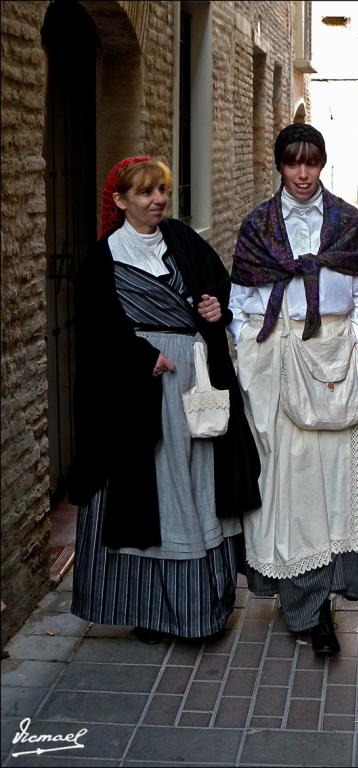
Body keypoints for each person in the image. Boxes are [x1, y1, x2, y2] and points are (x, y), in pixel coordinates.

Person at [70, 156, 261, 643]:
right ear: (120, 201)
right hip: (139, 396)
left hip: (195, 385)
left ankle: (201, 610)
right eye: (145, 193)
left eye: (161, 190)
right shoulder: (102, 260)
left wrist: (216, 307)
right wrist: (140, 357)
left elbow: (219, 289)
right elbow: (93, 334)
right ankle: (151, 612)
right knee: (153, 495)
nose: (158, 200)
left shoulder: (182, 240)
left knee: (197, 490)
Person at [230, 123, 358, 655]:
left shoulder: (347, 223)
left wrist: (350, 345)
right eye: (293, 163)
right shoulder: (258, 226)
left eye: (311, 162)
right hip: (277, 358)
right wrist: (254, 351)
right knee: (289, 486)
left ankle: (324, 603)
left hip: (331, 360)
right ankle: (304, 607)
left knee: (335, 481)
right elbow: (241, 299)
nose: (303, 174)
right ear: (280, 165)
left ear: (323, 163)